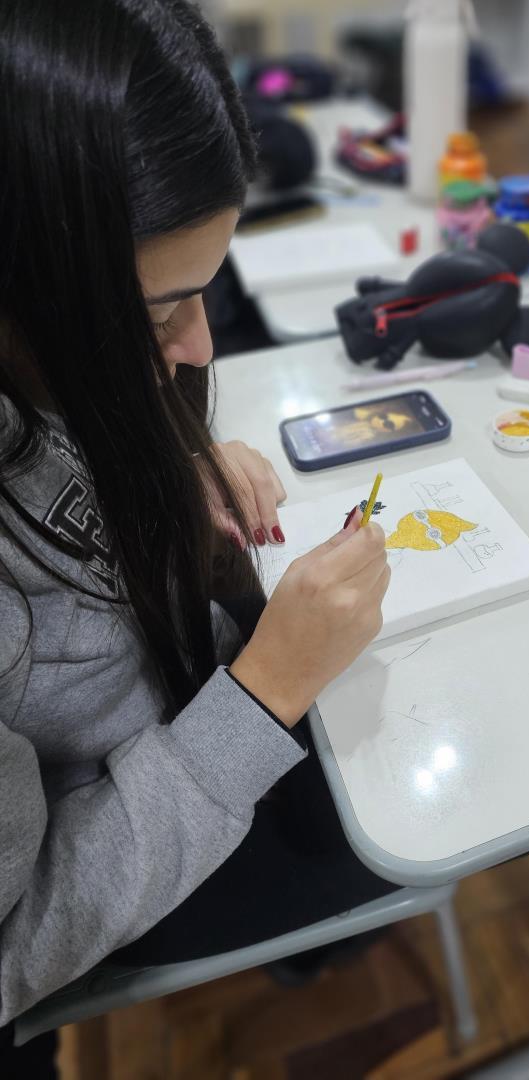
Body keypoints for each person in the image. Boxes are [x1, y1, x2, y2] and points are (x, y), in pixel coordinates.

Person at [0, 1, 396, 1072]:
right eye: (158, 312)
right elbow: (16, 943)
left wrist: (169, 475)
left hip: (183, 718)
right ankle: (319, 964)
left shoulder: (44, 370)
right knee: (404, 833)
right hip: (123, 864)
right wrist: (264, 695)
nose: (201, 345)